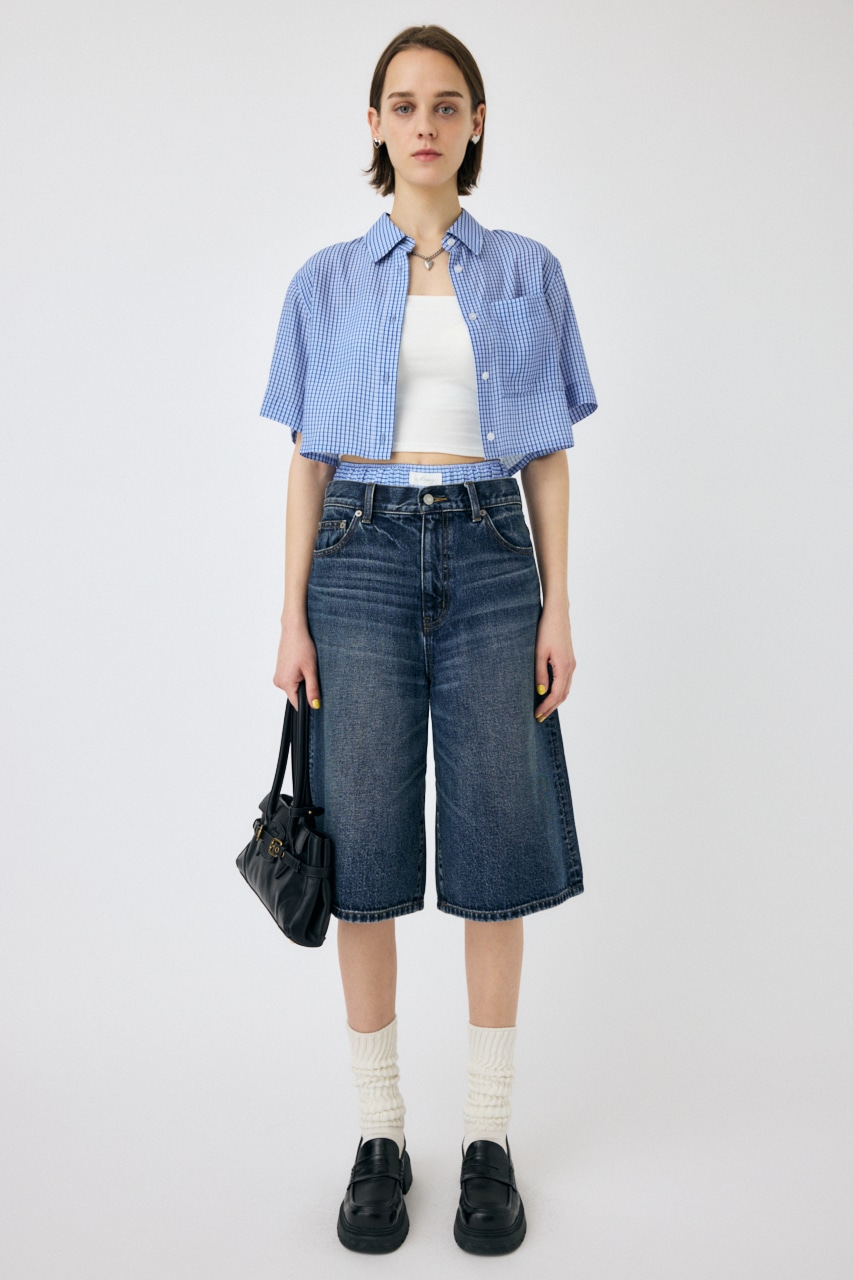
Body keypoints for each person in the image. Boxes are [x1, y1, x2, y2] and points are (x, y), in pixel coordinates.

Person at [262, 24, 597, 1256]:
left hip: (494, 556)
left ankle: (489, 1138)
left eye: (446, 104)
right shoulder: (323, 281)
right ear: (374, 125)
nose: (424, 123)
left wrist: (559, 602)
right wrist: (289, 613)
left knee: (496, 839)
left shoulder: (527, 272)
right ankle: (380, 1135)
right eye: (402, 105)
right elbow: (307, 463)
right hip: (356, 559)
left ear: (475, 124)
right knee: (361, 848)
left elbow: (548, 454)